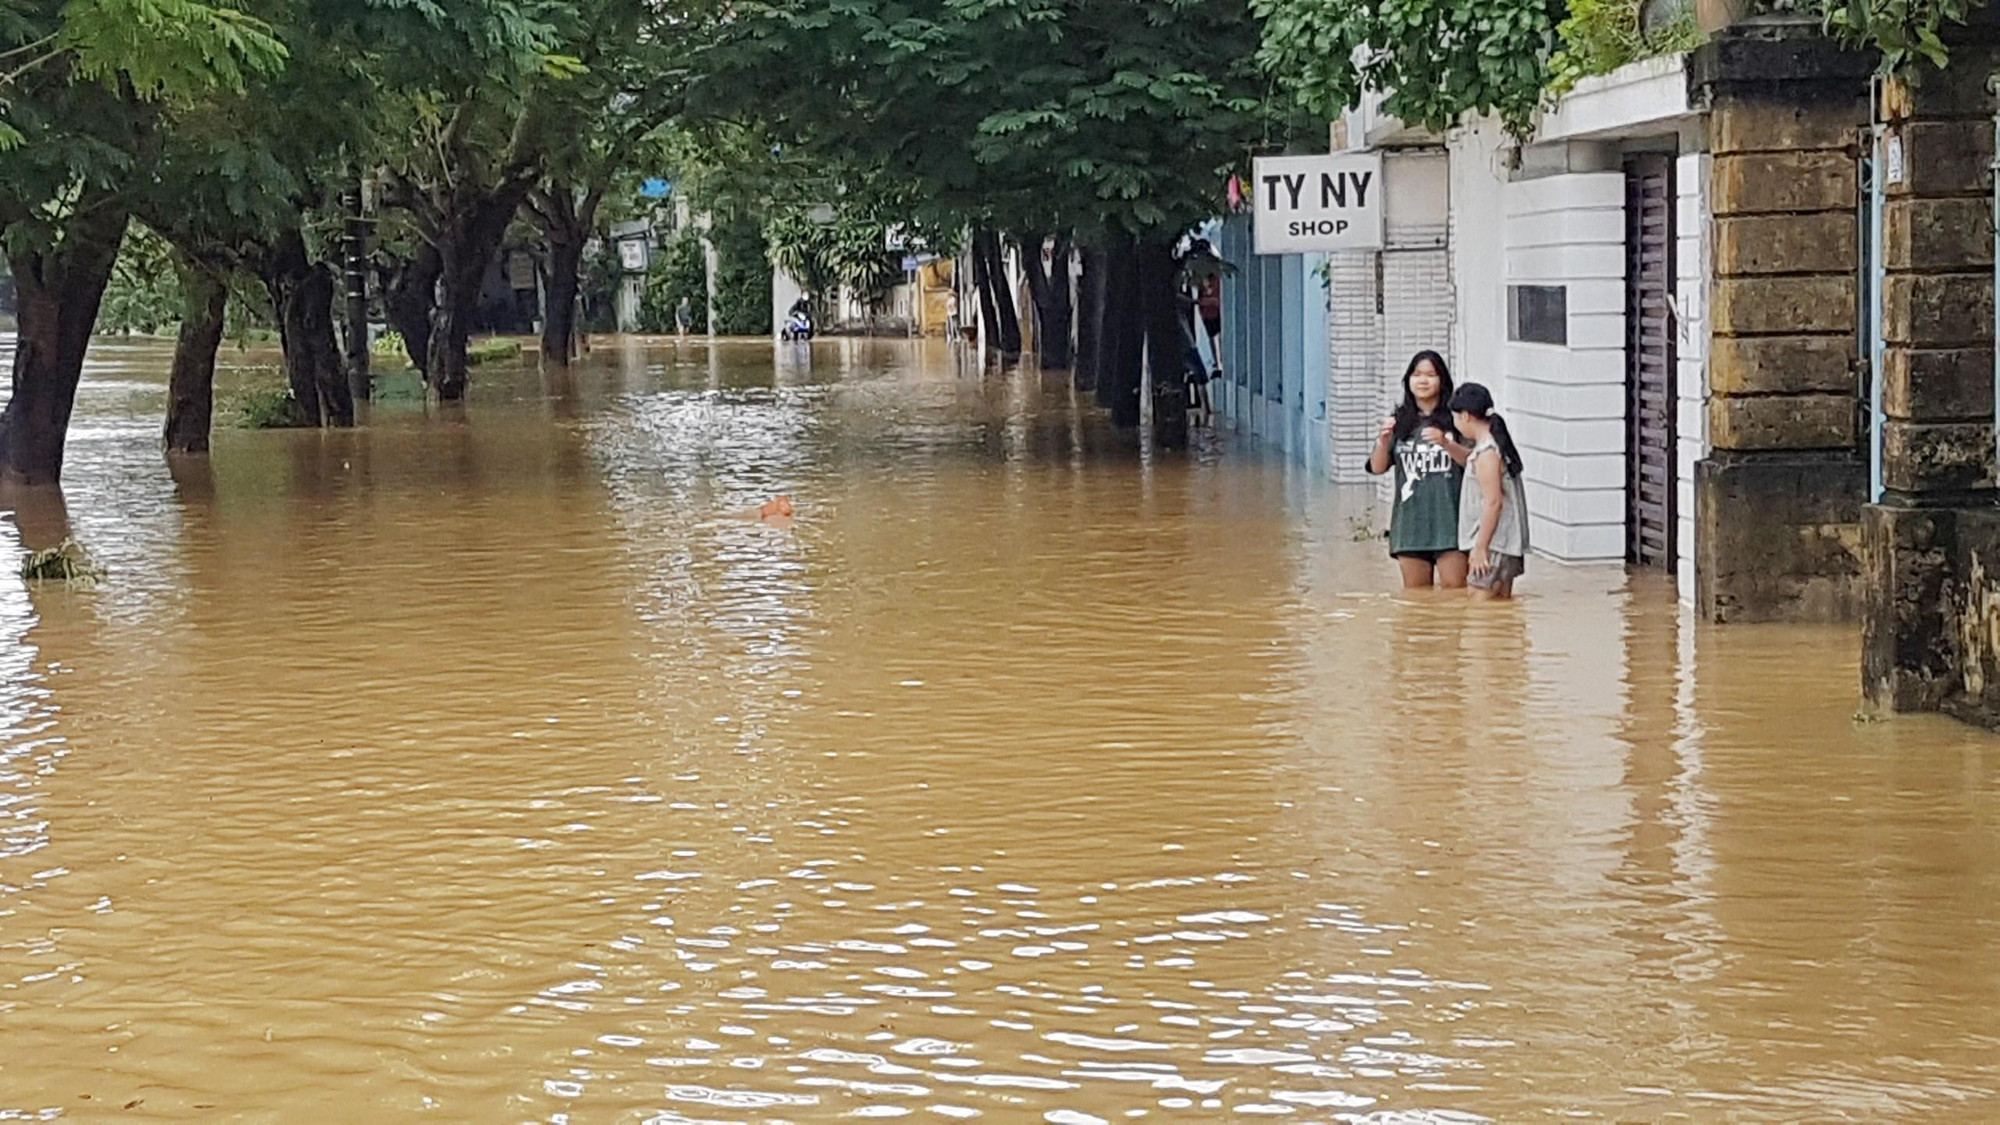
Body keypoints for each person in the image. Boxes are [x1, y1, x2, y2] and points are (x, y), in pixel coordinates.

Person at [1366, 351, 1472, 589]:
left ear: (1442, 380)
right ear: (1408, 380)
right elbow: (1377, 467)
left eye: (1431, 375)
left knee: (1454, 593)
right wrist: (1383, 441)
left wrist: (1447, 443)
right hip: (1410, 527)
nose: (1423, 381)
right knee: (1417, 600)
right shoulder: (1399, 422)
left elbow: (1474, 462)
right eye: (1417, 374)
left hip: (1451, 525)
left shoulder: (1457, 422)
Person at [1450, 382, 1530, 600]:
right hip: (1504, 545)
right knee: (1500, 611)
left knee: (1479, 615)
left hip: (1493, 545)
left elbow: (1494, 503)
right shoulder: (1495, 446)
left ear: (1465, 416)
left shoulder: (1487, 453)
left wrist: (1480, 547)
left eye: (1455, 417)